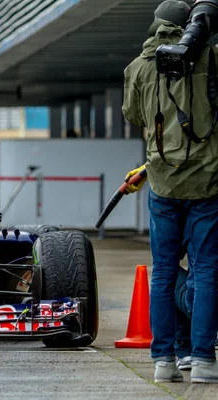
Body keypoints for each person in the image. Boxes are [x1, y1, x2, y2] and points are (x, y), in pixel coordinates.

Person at [122, 0, 218, 383]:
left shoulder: (139, 66)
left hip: (162, 180)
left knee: (162, 271)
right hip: (208, 181)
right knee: (208, 269)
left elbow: (134, 115)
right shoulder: (210, 59)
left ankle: (163, 361)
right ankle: (203, 361)